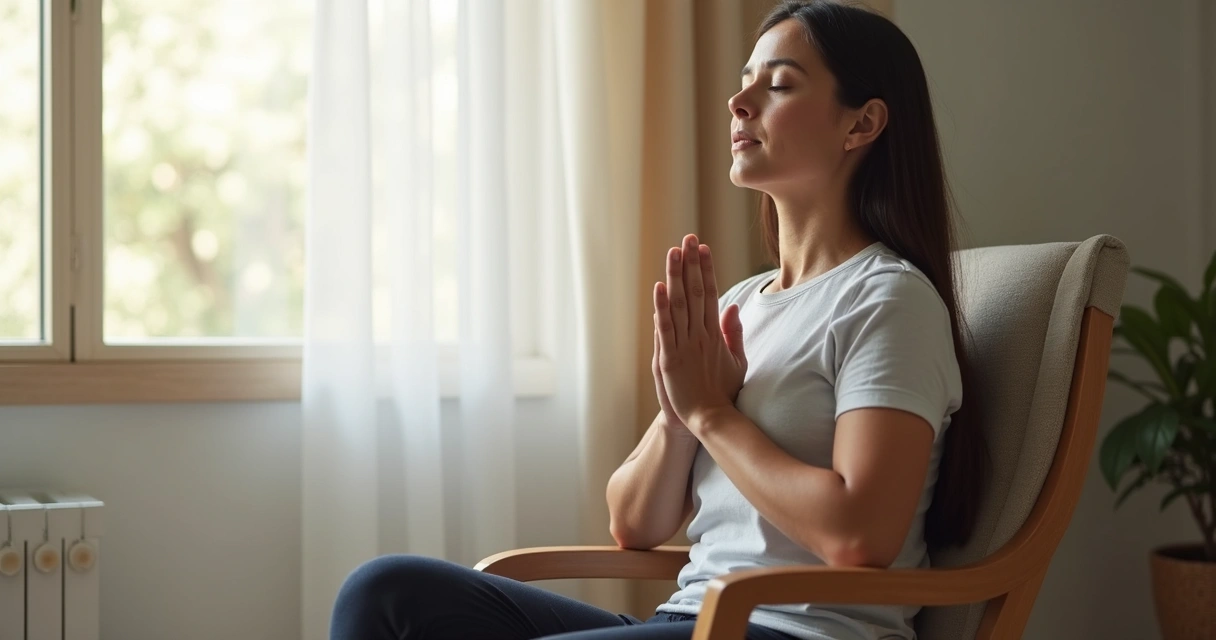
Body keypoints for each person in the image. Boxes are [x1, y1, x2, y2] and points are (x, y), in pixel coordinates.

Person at [330, 1, 986, 638]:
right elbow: (634, 523)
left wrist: (713, 415)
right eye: (743, 82)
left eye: (780, 84)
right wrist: (679, 412)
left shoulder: (888, 302)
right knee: (386, 593)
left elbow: (859, 535)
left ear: (862, 124)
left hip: (797, 631)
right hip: (691, 618)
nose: (740, 102)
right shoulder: (740, 306)